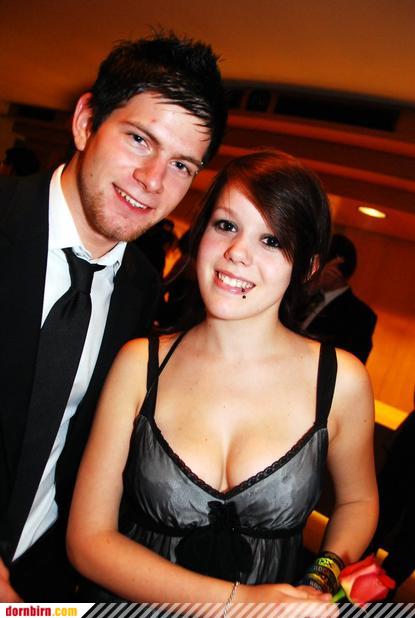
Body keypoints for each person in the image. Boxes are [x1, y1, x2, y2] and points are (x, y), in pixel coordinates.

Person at [67, 150, 378, 606]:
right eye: (226, 225)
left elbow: (357, 501)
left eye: (271, 240)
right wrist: (239, 604)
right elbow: (88, 541)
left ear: (308, 266)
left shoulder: (339, 381)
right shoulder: (140, 364)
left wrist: (322, 576)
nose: (237, 253)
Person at [0, 32, 227, 602]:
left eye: (181, 165)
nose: (153, 181)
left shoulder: (141, 290)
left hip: (43, 582)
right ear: (86, 122)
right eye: (139, 139)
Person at [366, 400, 415, 597]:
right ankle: (350, 586)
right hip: (409, 449)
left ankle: (380, 592)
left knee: (408, 545)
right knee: (378, 517)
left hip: (408, 447)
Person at [302, 234, 377, 364]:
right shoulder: (305, 295)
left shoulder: (360, 316)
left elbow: (353, 363)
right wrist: (311, 287)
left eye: (318, 265)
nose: (313, 271)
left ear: (335, 270)